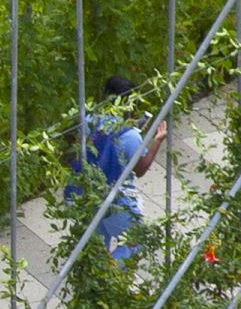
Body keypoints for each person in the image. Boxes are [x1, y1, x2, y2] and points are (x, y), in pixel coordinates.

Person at [67, 73, 168, 260]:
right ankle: (114, 273)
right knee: (136, 240)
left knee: (95, 250)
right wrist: (157, 141)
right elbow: (140, 169)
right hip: (114, 197)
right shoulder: (130, 136)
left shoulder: (89, 121)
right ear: (129, 102)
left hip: (85, 193)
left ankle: (100, 280)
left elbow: (74, 149)